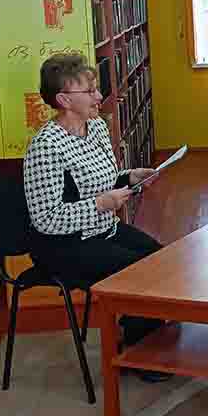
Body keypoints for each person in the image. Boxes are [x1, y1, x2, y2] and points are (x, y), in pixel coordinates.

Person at [22, 52, 168, 382]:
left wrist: (129, 177)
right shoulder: (46, 147)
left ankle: (141, 338)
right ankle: (138, 353)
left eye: (96, 88)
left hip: (103, 229)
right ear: (63, 100)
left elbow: (102, 180)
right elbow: (45, 219)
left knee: (160, 259)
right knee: (138, 272)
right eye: (89, 91)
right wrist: (101, 204)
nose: (99, 96)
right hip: (64, 246)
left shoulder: (97, 127)